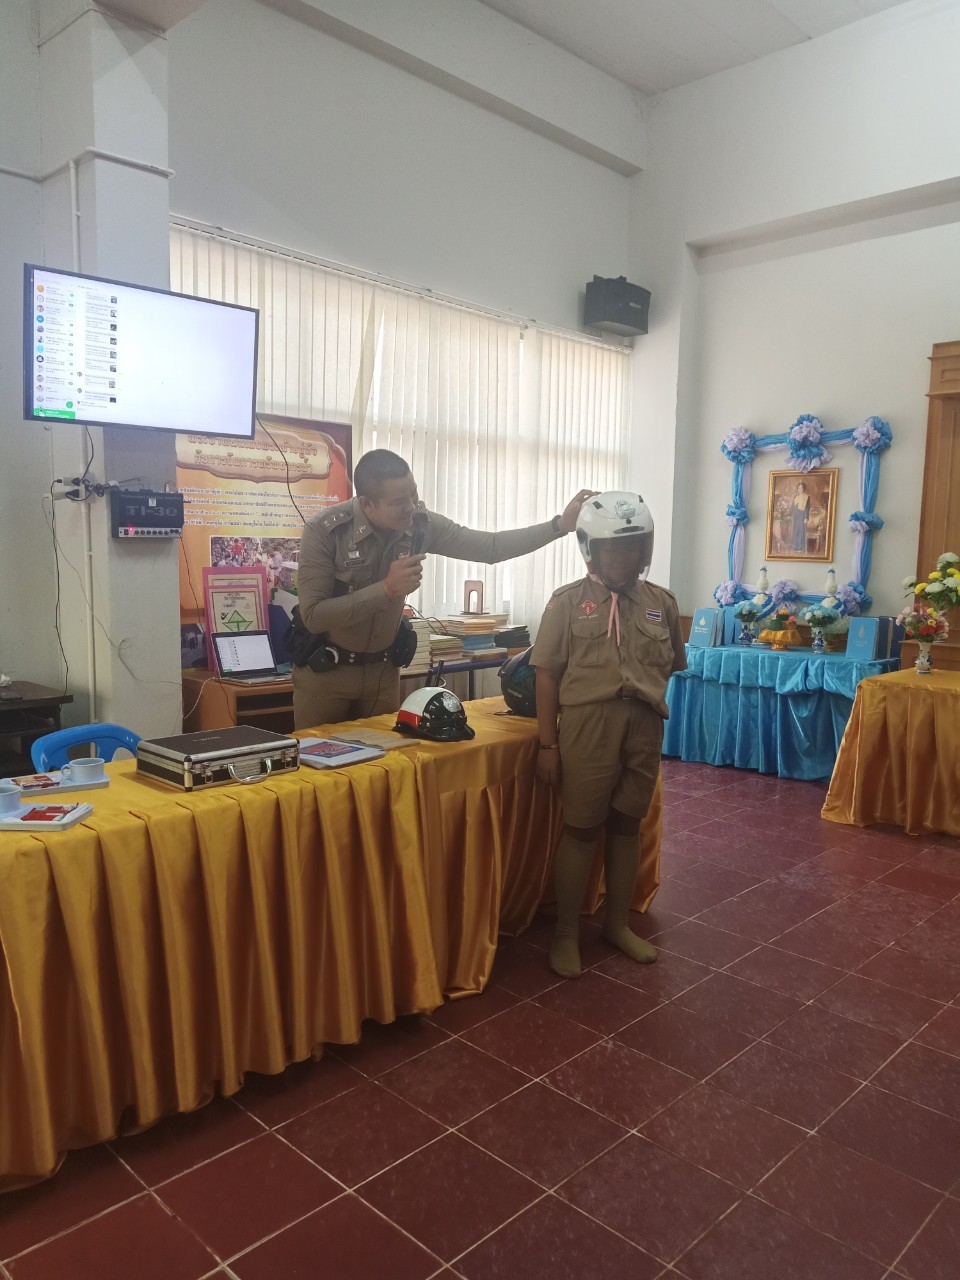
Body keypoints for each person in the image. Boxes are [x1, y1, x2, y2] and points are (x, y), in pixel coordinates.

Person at [292, 448, 597, 729]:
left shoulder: (421, 525)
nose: (411, 507)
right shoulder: (326, 531)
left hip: (383, 675)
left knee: (385, 766)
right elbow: (314, 616)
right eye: (399, 503)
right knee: (316, 768)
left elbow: (491, 547)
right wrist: (386, 588)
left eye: (413, 494)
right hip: (326, 675)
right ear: (367, 504)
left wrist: (558, 526)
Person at [531, 491, 686, 979]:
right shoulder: (567, 603)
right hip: (588, 727)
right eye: (612, 548)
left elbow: (672, 665)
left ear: (645, 549)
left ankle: (617, 925)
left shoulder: (661, 603)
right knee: (580, 829)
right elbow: (546, 676)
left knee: (626, 826)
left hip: (643, 725)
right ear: (590, 550)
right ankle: (566, 934)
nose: (623, 557)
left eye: (632, 546)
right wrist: (548, 745)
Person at [790, 481, 810, 554]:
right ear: (797, 489)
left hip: (802, 515)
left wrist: (806, 518)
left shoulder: (807, 497)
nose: (800, 489)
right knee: (796, 531)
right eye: (799, 488)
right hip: (796, 515)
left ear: (803, 489)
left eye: (801, 488)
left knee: (801, 531)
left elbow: (807, 508)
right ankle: (796, 547)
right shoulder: (795, 497)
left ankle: (800, 547)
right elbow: (793, 507)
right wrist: (790, 515)